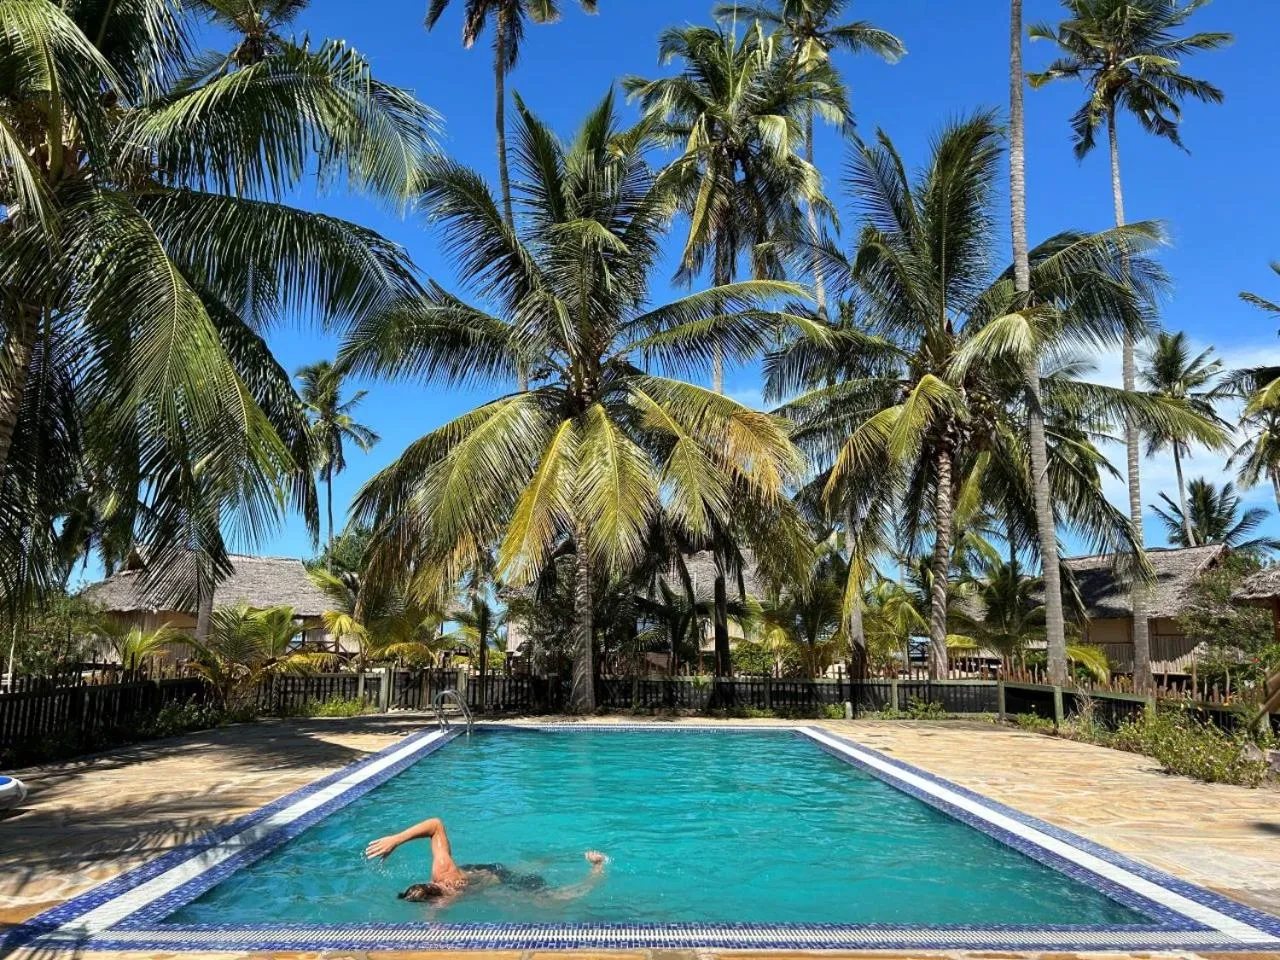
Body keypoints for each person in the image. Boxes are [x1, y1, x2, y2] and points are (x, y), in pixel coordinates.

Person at [364, 817, 608, 905]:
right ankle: (540, 862)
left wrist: (396, 838)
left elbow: (435, 823)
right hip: (480, 872)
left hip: (494, 876)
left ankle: (598, 867)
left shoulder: (446, 875)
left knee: (554, 902)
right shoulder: (440, 883)